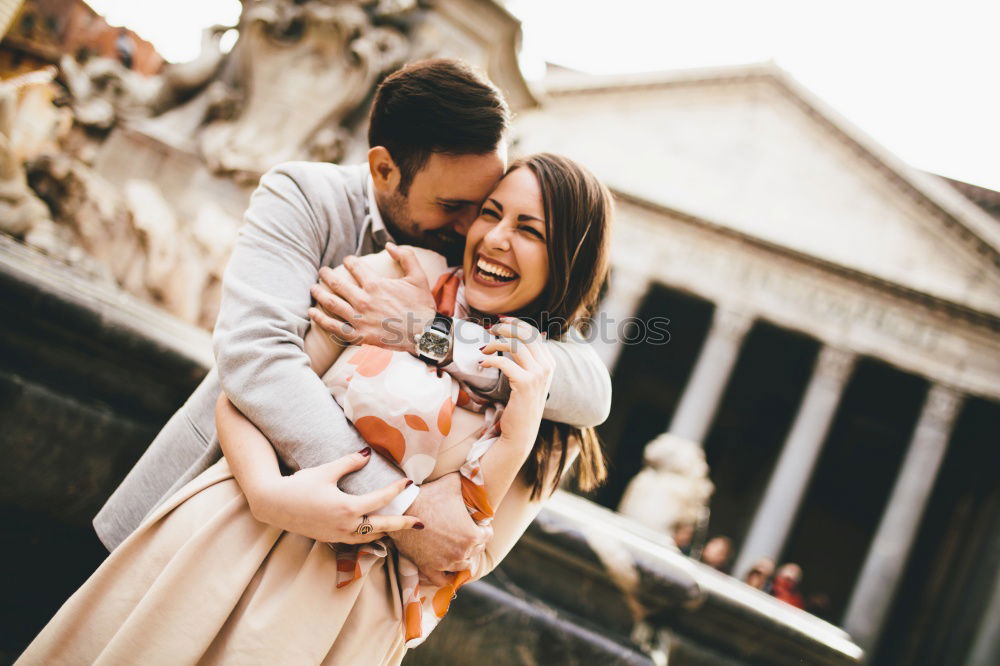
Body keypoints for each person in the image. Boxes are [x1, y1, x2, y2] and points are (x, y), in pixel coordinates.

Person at [17, 152, 614, 664]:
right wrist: (268, 491)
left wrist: (517, 430)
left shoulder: (552, 406)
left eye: (530, 230)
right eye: (492, 212)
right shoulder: (398, 275)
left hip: (338, 618)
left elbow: (465, 554)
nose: (496, 238)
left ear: (567, 259)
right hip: (235, 538)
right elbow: (250, 392)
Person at [91, 59, 612, 586]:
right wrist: (401, 507)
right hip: (197, 505)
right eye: (457, 206)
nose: (471, 229)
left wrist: (427, 334)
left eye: (483, 205)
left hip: (317, 584)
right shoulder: (304, 196)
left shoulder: (479, 263)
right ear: (385, 169)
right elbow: (257, 360)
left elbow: (589, 389)